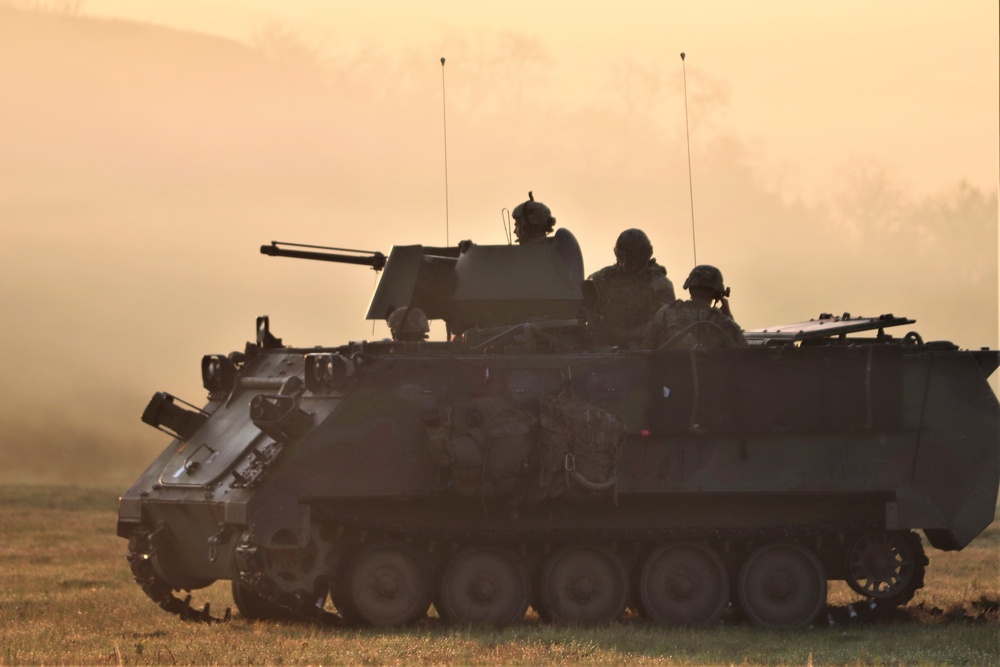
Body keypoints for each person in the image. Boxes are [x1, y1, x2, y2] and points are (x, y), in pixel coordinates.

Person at [586, 228, 676, 346]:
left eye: (631, 262)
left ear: (644, 258)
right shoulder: (603, 278)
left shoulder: (658, 285)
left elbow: (663, 323)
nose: (624, 266)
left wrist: (627, 335)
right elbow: (583, 308)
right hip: (601, 347)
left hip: (640, 349)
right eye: (622, 260)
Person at [642, 264, 746, 349]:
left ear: (690, 288)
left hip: (668, 373)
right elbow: (744, 353)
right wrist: (728, 316)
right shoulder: (723, 323)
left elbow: (646, 346)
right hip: (710, 374)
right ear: (716, 294)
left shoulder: (665, 313)